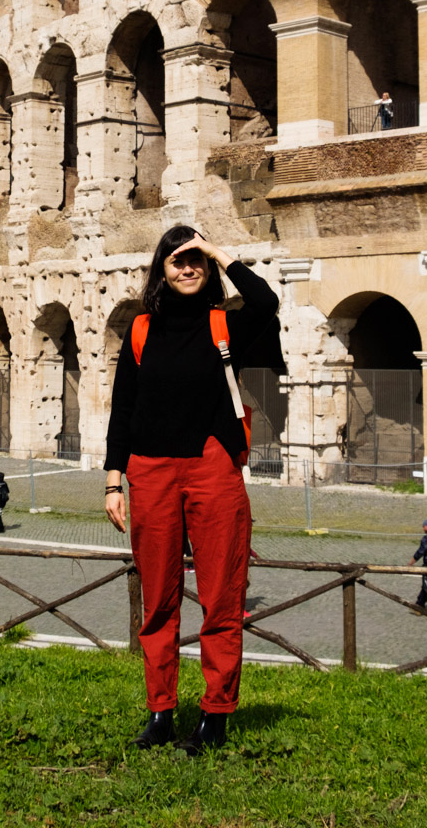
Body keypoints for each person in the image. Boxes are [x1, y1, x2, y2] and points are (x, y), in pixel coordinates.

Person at [104, 226, 278, 755]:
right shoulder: (140, 329)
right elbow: (123, 408)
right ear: (161, 270)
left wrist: (219, 252)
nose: (187, 268)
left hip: (212, 466)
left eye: (195, 259)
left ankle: (215, 716)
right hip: (150, 469)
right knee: (157, 598)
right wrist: (114, 480)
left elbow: (266, 301)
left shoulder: (225, 323)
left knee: (222, 596)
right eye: (176, 260)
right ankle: (160, 712)